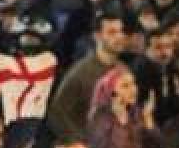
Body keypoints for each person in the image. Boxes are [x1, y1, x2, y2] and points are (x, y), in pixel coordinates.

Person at [48, 8, 129, 141]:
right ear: (97, 36)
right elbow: (57, 113)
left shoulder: (123, 70)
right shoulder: (80, 73)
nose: (119, 37)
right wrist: (80, 141)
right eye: (112, 32)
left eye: (120, 31)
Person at [86, 64, 158, 148]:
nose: (133, 90)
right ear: (112, 92)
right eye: (125, 86)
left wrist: (148, 119)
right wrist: (121, 122)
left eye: (133, 84)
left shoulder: (134, 113)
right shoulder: (99, 118)